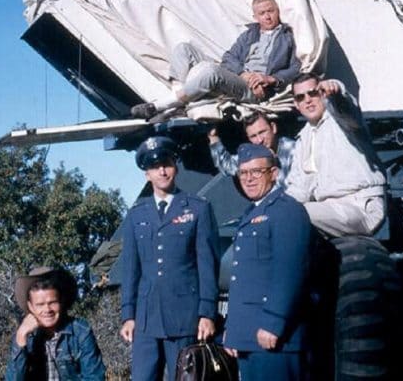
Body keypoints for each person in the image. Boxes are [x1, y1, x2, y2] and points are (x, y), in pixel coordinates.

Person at [120, 136, 220, 380]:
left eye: (166, 164)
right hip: (145, 319)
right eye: (155, 167)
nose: (162, 171)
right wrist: (128, 315)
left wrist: (207, 313)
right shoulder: (136, 215)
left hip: (184, 316)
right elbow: (130, 269)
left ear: (175, 167)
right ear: (147, 174)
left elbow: (207, 265)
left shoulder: (197, 208)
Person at [131, 0, 301, 119]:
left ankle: (159, 106)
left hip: (256, 89)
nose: (267, 16)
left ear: (278, 11)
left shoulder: (287, 36)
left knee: (211, 71)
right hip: (240, 76)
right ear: (255, 17)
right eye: (262, 13)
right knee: (183, 49)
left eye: (270, 11)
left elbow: (295, 68)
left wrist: (271, 79)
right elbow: (228, 58)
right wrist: (243, 73)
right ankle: (180, 99)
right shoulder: (249, 35)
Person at [224, 144, 313, 381]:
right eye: (244, 173)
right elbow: (243, 279)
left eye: (257, 172)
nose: (249, 179)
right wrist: (234, 332)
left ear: (273, 173)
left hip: (274, 336)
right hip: (250, 336)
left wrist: (274, 322)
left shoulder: (287, 211)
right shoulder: (251, 213)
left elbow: (290, 271)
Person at [285, 73, 386, 236]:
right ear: (296, 104)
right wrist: (270, 207)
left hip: (359, 205)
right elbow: (300, 188)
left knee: (292, 215)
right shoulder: (303, 139)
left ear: (322, 94)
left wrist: (336, 89)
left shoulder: (339, 120)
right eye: (301, 97)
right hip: (330, 208)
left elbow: (346, 108)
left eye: (313, 93)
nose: (308, 100)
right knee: (279, 215)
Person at [6, 266, 106, 380]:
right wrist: (20, 338)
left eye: (52, 302)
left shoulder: (80, 331)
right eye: (40, 304)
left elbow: (94, 377)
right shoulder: (25, 337)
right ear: (30, 306)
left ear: (61, 301)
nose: (47, 310)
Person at [208, 111, 295, 188]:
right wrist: (213, 137)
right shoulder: (253, 154)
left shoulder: (291, 149)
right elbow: (228, 166)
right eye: (253, 136)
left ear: (273, 128)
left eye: (262, 132)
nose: (260, 140)